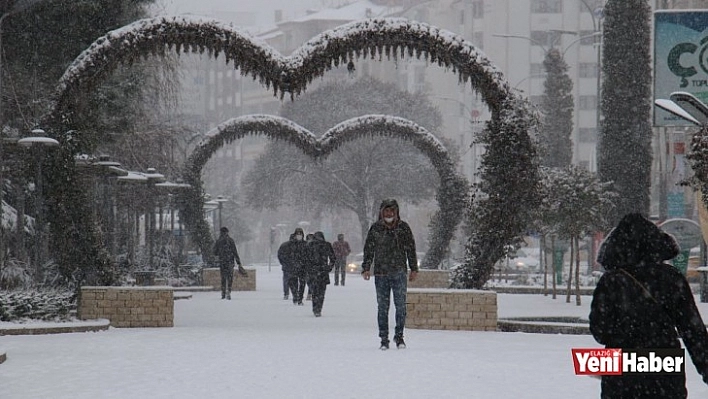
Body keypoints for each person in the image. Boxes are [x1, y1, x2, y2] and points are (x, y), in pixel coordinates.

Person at [589, 213, 708, 398]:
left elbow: (600, 331)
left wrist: (626, 333)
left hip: (622, 373)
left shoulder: (611, 281)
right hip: (664, 369)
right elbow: (692, 329)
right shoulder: (671, 278)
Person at [361, 199, 418, 350]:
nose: (389, 214)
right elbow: (369, 249)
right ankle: (384, 339)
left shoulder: (403, 228)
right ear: (381, 212)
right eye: (386, 211)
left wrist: (414, 268)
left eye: (391, 211)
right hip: (381, 273)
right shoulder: (376, 229)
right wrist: (366, 267)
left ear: (396, 212)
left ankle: (399, 337)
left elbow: (411, 249)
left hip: (399, 272)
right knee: (382, 307)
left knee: (400, 307)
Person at [306, 231, 336, 317]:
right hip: (323, 271)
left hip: (313, 271)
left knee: (314, 291)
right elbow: (333, 258)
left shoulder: (310, 245)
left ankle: (315, 308)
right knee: (321, 292)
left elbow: (305, 258)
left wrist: (308, 268)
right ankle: (318, 308)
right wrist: (329, 267)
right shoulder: (326, 245)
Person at [277, 227, 308, 305]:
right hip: (292, 267)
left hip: (302, 267)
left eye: (300, 234)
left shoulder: (306, 245)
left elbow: (310, 256)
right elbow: (281, 255)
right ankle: (295, 296)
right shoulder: (288, 245)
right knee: (293, 283)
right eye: (298, 234)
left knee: (302, 283)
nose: (299, 236)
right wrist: (285, 263)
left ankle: (299, 298)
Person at [212, 227, 243, 300]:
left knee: (223, 278)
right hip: (230, 262)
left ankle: (223, 293)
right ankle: (228, 291)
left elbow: (214, 252)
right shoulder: (231, 240)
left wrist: (220, 252)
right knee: (230, 278)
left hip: (222, 262)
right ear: (227, 232)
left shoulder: (218, 241)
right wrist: (238, 262)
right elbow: (235, 252)